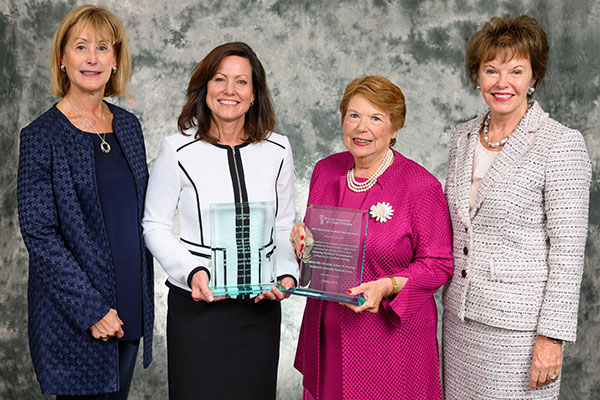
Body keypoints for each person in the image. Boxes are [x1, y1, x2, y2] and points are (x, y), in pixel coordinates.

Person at [442, 14, 592, 399]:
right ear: (477, 76)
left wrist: (551, 337)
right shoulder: (461, 138)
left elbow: (568, 252)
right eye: (491, 70)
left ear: (534, 77)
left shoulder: (560, 144)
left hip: (521, 331)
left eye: (515, 70)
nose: (502, 82)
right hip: (460, 323)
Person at [142, 42, 298, 399]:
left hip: (260, 310)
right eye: (220, 79)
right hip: (199, 308)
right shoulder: (176, 149)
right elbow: (154, 226)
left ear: (255, 94)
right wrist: (193, 271)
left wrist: (287, 274)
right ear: (205, 88)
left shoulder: (278, 149)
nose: (230, 90)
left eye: (241, 82)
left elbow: (284, 226)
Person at [17, 5, 154, 399]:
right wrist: (91, 309)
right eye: (80, 47)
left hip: (131, 303)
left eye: (102, 47)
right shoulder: (41, 136)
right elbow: (39, 234)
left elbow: (140, 212)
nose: (92, 58)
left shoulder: (128, 126)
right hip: (76, 315)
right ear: (62, 58)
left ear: (115, 60)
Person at [290, 75, 454, 400]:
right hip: (327, 333)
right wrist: (303, 245)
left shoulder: (420, 186)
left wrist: (387, 285)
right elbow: (319, 255)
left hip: (388, 344)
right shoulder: (326, 171)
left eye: (375, 118)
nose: (361, 128)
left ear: (394, 129)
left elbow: (439, 264)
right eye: (354, 115)